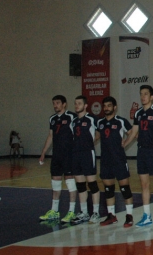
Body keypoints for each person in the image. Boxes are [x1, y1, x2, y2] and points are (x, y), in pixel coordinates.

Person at [123, 85, 153, 228]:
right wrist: (123, 144)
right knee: (144, 185)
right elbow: (134, 132)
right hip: (141, 151)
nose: (143, 97)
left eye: (146, 94)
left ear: (151, 97)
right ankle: (147, 216)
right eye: (141, 94)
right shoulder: (138, 113)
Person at [38, 95, 78, 223]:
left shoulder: (71, 117)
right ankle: (54, 211)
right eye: (54, 103)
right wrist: (44, 152)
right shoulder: (52, 119)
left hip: (69, 155)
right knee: (55, 183)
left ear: (64, 104)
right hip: (56, 156)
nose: (55, 105)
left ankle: (71, 211)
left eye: (58, 103)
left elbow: (77, 135)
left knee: (70, 182)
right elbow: (50, 136)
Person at [97, 96, 135, 227]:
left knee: (125, 188)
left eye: (109, 106)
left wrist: (126, 142)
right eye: (104, 106)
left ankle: (129, 215)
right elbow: (96, 136)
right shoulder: (100, 122)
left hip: (119, 159)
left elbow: (133, 133)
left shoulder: (121, 121)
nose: (106, 108)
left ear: (114, 107)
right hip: (105, 160)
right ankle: (111, 215)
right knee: (108, 189)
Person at [69, 95, 101, 225]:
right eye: (75, 103)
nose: (77, 105)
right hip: (76, 154)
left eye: (79, 103)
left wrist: (91, 141)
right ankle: (84, 212)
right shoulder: (74, 121)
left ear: (85, 105)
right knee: (80, 185)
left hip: (88, 153)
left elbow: (99, 132)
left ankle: (96, 212)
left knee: (92, 183)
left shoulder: (92, 119)